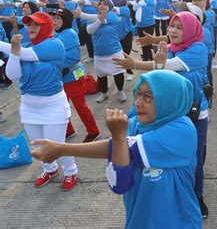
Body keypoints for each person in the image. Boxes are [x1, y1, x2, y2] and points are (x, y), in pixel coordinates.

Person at [30, 70, 202, 228]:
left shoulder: (183, 130)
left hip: (180, 223)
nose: (138, 103)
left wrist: (61, 149)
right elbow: (119, 184)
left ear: (169, 100)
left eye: (148, 96)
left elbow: (120, 146)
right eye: (138, 94)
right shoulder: (134, 125)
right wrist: (119, 138)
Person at [113, 11, 210, 218]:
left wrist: (136, 65)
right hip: (168, 114)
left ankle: (197, 195)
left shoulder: (199, 49)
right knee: (165, 158)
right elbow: (159, 76)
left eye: (179, 27)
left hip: (194, 114)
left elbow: (167, 68)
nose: (173, 31)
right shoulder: (172, 48)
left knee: (195, 158)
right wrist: (155, 47)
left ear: (192, 30)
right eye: (171, 26)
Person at [0, 11, 78, 190]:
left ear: (47, 27)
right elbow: (12, 74)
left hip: (53, 105)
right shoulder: (23, 46)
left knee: (57, 145)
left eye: (36, 24)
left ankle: (70, 171)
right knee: (39, 144)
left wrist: (14, 49)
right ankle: (50, 169)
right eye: (28, 24)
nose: (31, 27)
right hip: (29, 106)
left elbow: (26, 54)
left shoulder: (55, 44)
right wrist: (13, 51)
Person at [50, 8, 100, 143]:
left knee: (80, 106)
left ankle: (94, 131)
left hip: (72, 76)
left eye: (58, 18)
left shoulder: (69, 33)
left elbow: (63, 54)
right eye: (53, 18)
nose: (54, 21)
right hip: (61, 77)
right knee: (62, 106)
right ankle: (69, 131)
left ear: (65, 20)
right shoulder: (57, 34)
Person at [77, 0, 126, 103]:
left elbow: (103, 19)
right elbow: (90, 30)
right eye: (100, 4)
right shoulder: (94, 18)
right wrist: (98, 19)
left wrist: (81, 14)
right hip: (99, 52)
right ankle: (104, 93)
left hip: (114, 51)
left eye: (105, 4)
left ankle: (120, 91)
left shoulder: (113, 16)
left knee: (118, 73)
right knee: (101, 75)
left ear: (110, 7)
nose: (102, 6)